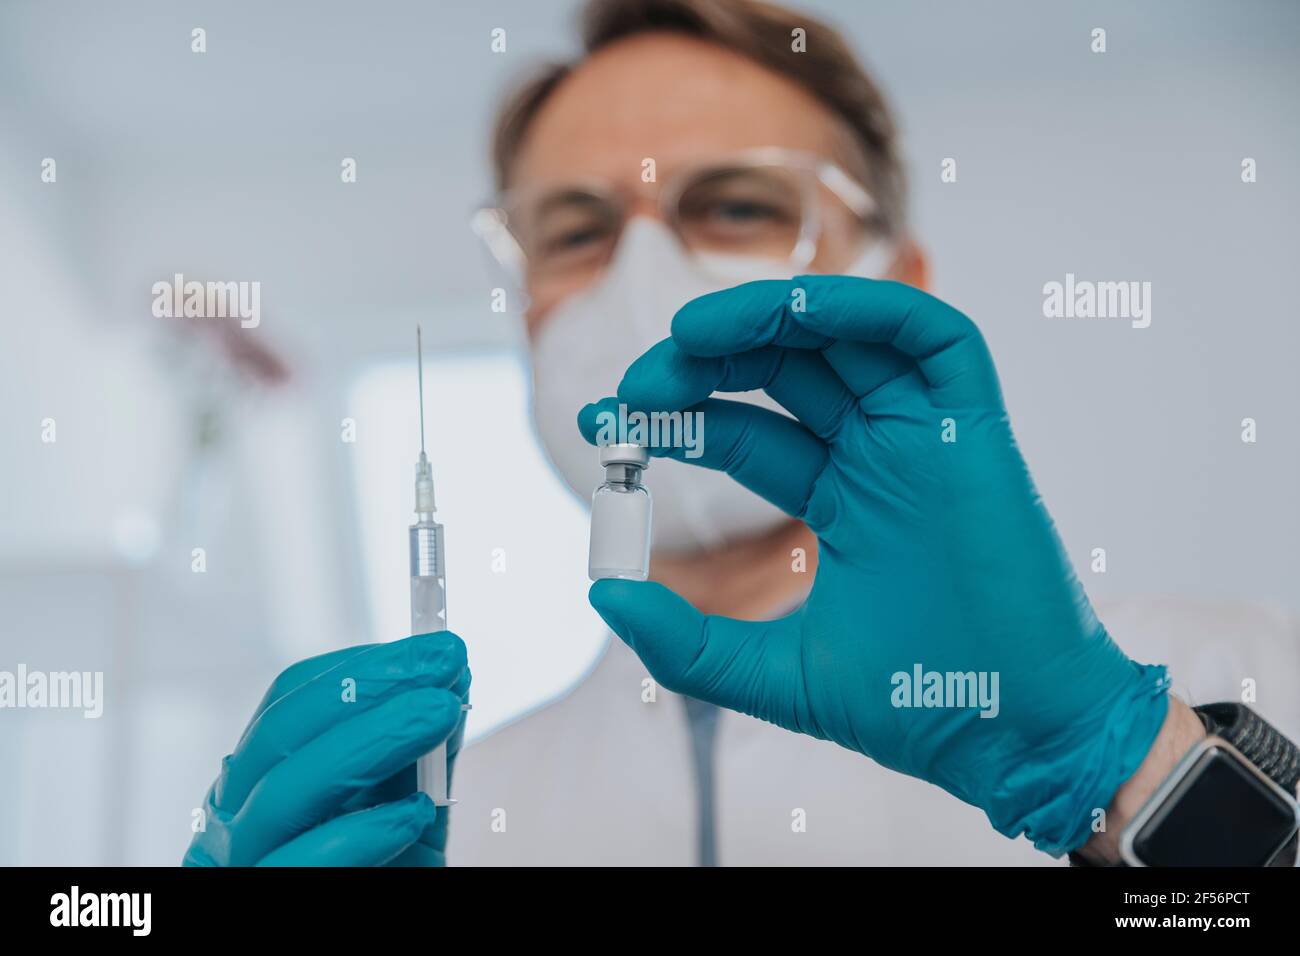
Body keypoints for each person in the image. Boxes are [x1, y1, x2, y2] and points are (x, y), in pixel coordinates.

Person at [185, 0, 1300, 867]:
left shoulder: (1236, 680)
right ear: (524, 311)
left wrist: (1131, 772)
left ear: (896, 281)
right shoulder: (443, 814)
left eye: (735, 206)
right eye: (576, 227)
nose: (643, 278)